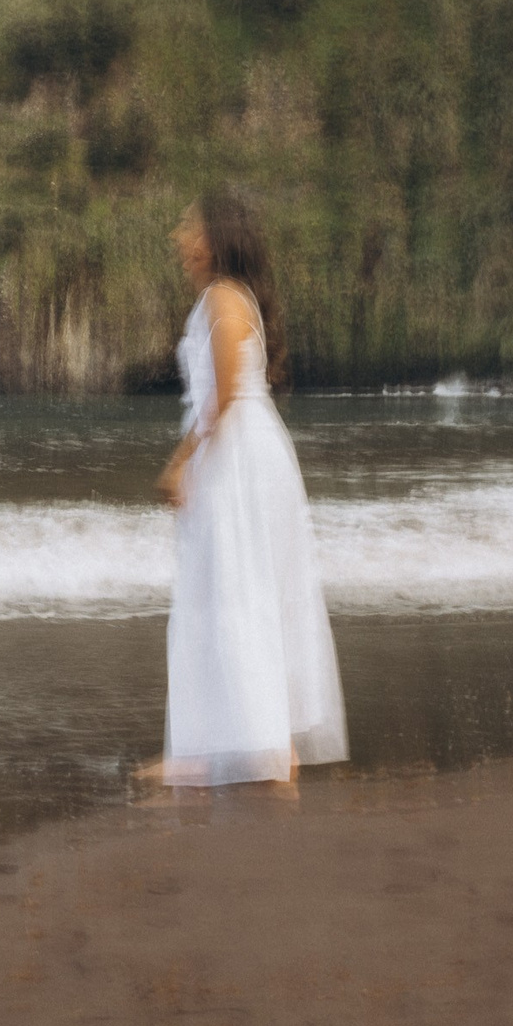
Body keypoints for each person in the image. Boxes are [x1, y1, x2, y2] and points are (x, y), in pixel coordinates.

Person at [147, 188, 347, 790]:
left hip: (235, 458)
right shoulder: (230, 298)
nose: (181, 238)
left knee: (236, 591)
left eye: (189, 227)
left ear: (214, 238)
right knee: (236, 589)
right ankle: (231, 747)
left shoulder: (222, 298)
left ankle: (247, 749)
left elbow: (226, 391)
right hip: (245, 454)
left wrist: (182, 461)